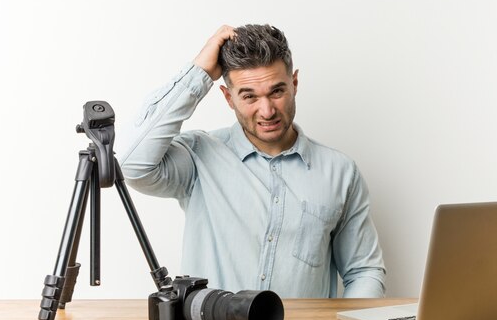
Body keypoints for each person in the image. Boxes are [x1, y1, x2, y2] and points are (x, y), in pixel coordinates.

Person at [120, 24, 385, 298]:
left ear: (294, 84)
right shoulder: (198, 156)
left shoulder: (340, 172)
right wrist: (198, 74)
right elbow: (129, 163)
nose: (267, 110)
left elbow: (363, 271)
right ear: (228, 97)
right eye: (249, 96)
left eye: (277, 92)